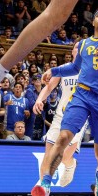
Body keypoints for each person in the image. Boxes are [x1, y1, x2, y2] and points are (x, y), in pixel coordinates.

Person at [32, 9, 98, 196]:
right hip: (82, 94)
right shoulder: (85, 44)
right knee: (63, 137)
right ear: (93, 21)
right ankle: (45, 185)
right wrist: (53, 70)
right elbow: (74, 68)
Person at [32, 55, 88, 189]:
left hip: (80, 115)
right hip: (61, 115)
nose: (79, 48)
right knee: (49, 154)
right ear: (73, 51)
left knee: (63, 156)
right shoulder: (64, 68)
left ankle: (70, 164)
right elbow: (49, 87)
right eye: (76, 46)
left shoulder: (90, 69)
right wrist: (39, 99)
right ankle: (43, 188)